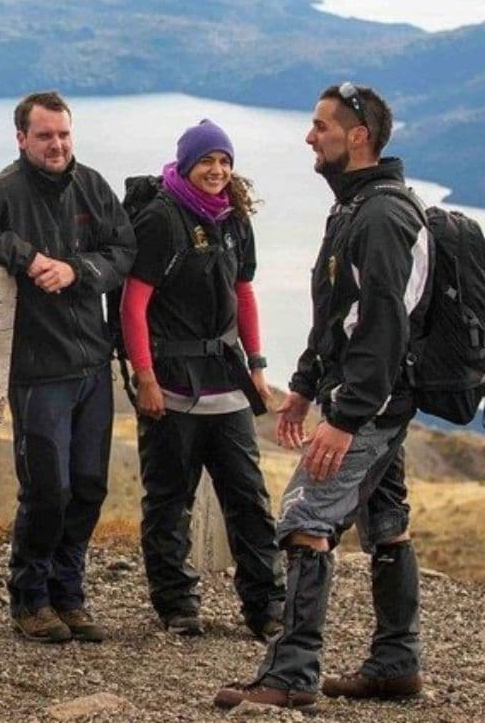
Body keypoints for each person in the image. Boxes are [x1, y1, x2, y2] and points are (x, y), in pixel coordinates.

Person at [215, 83, 431, 711]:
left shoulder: (381, 217)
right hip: (373, 397)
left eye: (321, 127)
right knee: (385, 520)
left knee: (306, 517)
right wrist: (306, 386)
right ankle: (396, 665)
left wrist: (345, 417)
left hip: (371, 403)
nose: (309, 136)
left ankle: (292, 674)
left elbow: (382, 328)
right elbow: (337, 312)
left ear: (357, 137)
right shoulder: (354, 208)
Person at [0, 91, 135, 644]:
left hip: (91, 362)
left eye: (64, 134)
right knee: (48, 490)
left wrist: (77, 270)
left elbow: (123, 250)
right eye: (45, 136)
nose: (57, 145)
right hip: (37, 368)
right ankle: (30, 600)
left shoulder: (91, 185)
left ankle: (69, 595)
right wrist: (26, 257)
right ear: (22, 138)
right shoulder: (5, 190)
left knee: (89, 486)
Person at [119, 119, 284, 640]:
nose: (217, 170)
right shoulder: (161, 218)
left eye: (225, 161)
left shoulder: (234, 218)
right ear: (187, 164)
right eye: (207, 161)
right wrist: (145, 377)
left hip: (226, 383)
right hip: (172, 385)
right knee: (169, 500)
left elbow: (244, 292)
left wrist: (257, 365)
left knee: (249, 500)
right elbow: (134, 303)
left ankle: (267, 608)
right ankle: (177, 606)